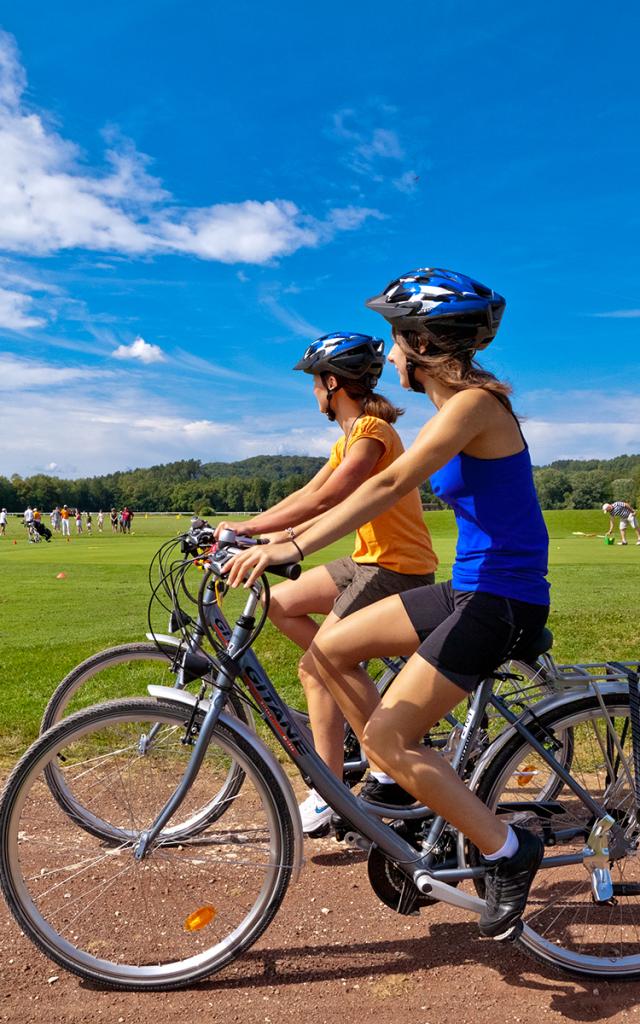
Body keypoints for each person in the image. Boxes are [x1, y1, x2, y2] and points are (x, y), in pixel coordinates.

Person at [226, 268, 550, 940]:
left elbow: (395, 480)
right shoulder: (453, 406)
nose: (390, 356)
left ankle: (507, 850)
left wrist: (292, 547)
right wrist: (282, 538)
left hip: (503, 600)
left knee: (385, 736)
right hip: (470, 586)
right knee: (330, 650)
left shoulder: (473, 405)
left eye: (396, 342)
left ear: (424, 341)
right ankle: (404, 781)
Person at [216, 332, 438, 833]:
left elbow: (327, 500)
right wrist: (246, 529)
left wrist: (250, 532)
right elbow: (308, 492)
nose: (313, 392)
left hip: (396, 568)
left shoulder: (373, 432)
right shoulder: (348, 436)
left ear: (332, 383)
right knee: (282, 602)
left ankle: (374, 769)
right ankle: (344, 682)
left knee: (317, 666)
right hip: (366, 562)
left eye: (315, 383)